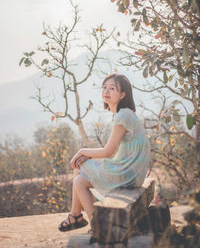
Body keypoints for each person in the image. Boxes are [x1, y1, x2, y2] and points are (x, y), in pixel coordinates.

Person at [58, 73, 150, 232]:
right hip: (130, 172)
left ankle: (86, 220)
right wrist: (87, 155)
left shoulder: (123, 116)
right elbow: (112, 152)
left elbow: (108, 151)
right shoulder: (124, 114)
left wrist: (82, 151)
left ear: (122, 94)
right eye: (104, 87)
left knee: (80, 168)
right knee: (79, 179)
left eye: (112, 88)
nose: (106, 91)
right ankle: (80, 217)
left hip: (128, 173)